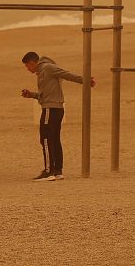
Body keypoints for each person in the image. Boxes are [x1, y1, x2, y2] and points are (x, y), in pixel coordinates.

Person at [20, 51, 96, 181]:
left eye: (27, 66)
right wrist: (31, 94)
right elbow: (44, 95)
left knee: (45, 138)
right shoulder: (43, 71)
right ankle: (57, 171)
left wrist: (86, 80)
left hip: (51, 109)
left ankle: (49, 171)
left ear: (32, 63)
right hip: (54, 108)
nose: (28, 69)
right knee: (54, 139)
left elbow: (66, 74)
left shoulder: (47, 68)